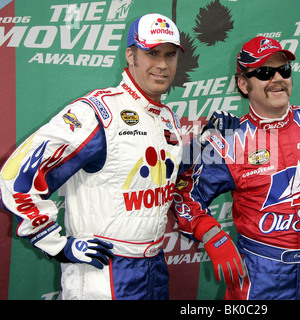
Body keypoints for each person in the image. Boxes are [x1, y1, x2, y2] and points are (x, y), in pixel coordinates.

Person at [172, 36, 300, 300]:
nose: (277, 78)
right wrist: (213, 237)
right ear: (243, 84)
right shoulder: (227, 140)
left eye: (284, 70)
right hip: (261, 279)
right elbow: (183, 195)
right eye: (265, 72)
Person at [0, 13, 187, 300]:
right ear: (131, 55)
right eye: (152, 53)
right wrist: (57, 244)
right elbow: (15, 176)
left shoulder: (167, 119)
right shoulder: (99, 112)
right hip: (102, 271)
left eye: (170, 54)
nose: (162, 64)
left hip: (154, 269)